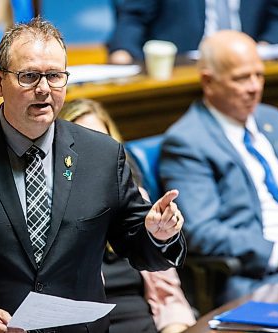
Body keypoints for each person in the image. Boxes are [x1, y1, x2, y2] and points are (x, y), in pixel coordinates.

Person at [0, 17, 186, 333]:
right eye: (29, 76)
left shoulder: (102, 155)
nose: (44, 89)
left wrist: (158, 233)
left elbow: (137, 247)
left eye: (55, 76)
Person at [159, 30, 278, 304]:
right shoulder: (187, 141)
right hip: (265, 275)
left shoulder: (272, 119)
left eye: (259, 75)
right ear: (208, 81)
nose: (255, 87)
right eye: (241, 78)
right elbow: (201, 231)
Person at [59, 98, 196, 333]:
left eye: (102, 143)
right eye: (83, 143)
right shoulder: (50, 212)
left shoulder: (133, 200)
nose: (95, 154)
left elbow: (168, 298)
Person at [108, 0, 278, 64]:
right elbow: (133, 19)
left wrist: (261, 48)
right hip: (184, 70)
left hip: (247, 64)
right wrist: (123, 53)